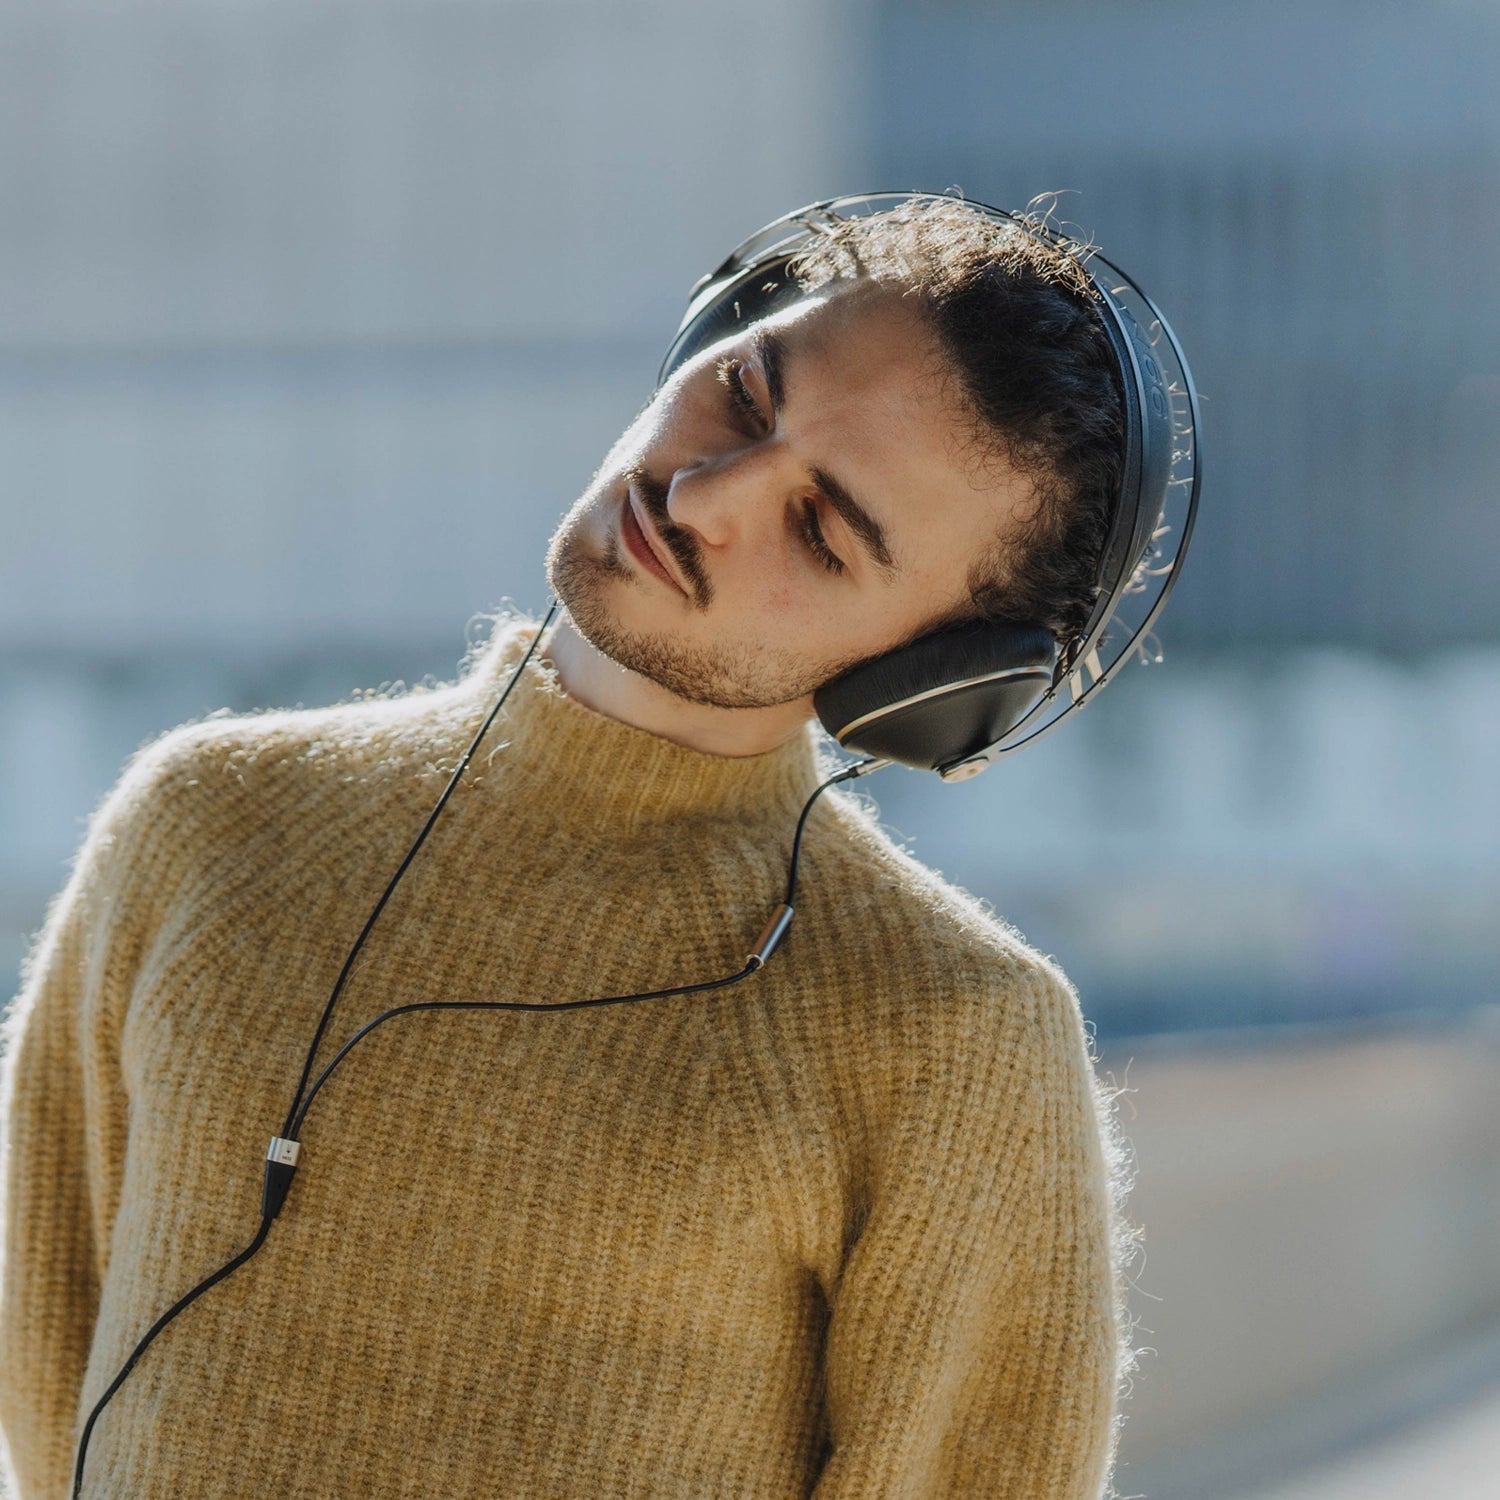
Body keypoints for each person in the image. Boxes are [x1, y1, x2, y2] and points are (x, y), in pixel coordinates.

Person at [1, 196, 1138, 1499]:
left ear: (933, 682)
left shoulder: (954, 1035)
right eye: (746, 396)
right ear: (707, 335)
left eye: (821, 532)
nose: (703, 494)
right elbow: (51, 1372)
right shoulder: (205, 822)